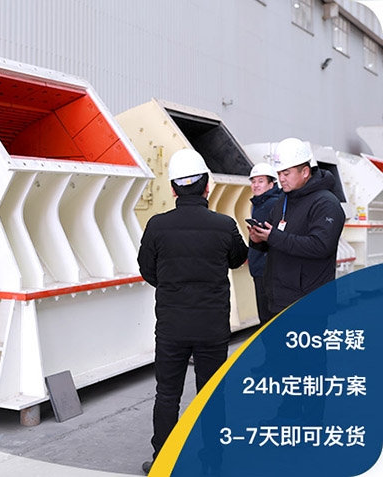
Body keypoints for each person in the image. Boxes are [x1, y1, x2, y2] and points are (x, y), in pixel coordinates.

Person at [138, 148, 248, 475]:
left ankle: (163, 460)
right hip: (212, 327)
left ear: (173, 189)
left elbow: (148, 271)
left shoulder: (157, 226)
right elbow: (238, 259)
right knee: (211, 394)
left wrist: (172, 286)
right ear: (207, 187)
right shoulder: (224, 225)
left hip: (171, 325)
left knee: (167, 394)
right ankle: (213, 460)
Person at [248, 138, 345, 315]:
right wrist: (258, 240)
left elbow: (321, 246)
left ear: (305, 172)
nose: (281, 179)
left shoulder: (326, 203)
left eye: (286, 173)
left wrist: (273, 236)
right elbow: (275, 239)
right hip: (280, 299)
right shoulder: (283, 200)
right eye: (279, 173)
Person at [247, 162, 282, 326]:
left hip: (267, 269)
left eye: (261, 181)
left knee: (268, 318)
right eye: (253, 181)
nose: (256, 185)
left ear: (271, 184)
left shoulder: (271, 203)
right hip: (262, 267)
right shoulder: (259, 203)